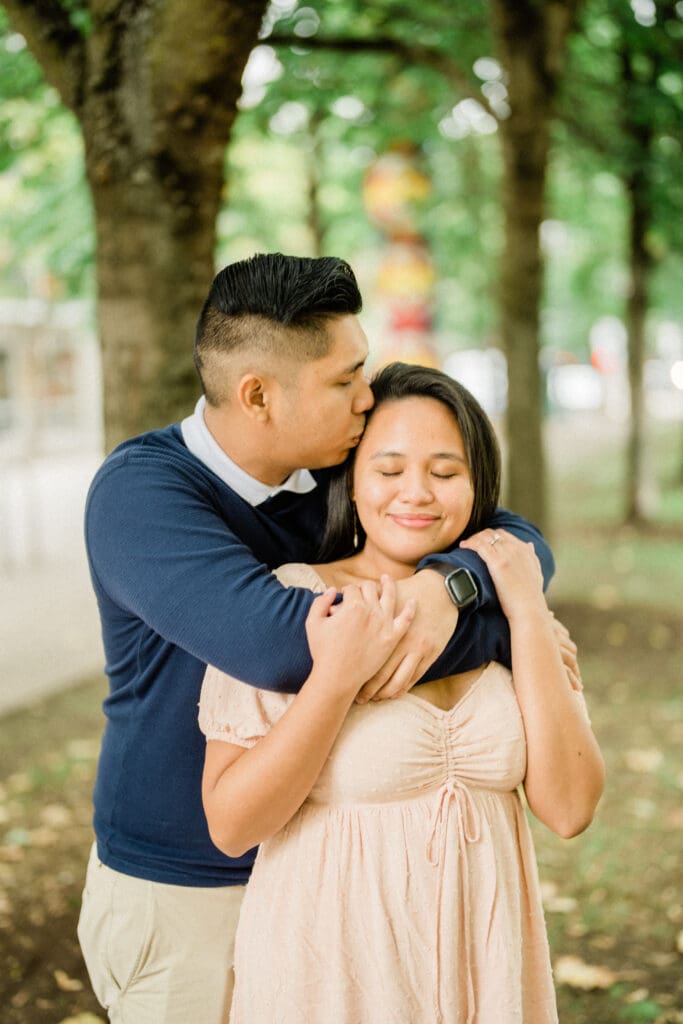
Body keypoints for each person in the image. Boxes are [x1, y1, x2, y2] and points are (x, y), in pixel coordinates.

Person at [78, 254, 561, 1024]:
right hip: (186, 891)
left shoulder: (329, 474)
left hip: (322, 879)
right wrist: (491, 616)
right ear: (258, 395)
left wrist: (453, 585)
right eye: (345, 380)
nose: (367, 398)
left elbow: (516, 541)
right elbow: (283, 646)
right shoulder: (142, 496)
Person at [200, 362, 605, 1024]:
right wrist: (335, 678)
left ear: (478, 485)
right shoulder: (293, 603)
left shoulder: (505, 609)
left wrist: (528, 610)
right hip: (332, 980)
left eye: (444, 473)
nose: (415, 493)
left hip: (485, 975)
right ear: (351, 483)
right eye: (388, 470)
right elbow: (231, 825)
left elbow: (568, 809)